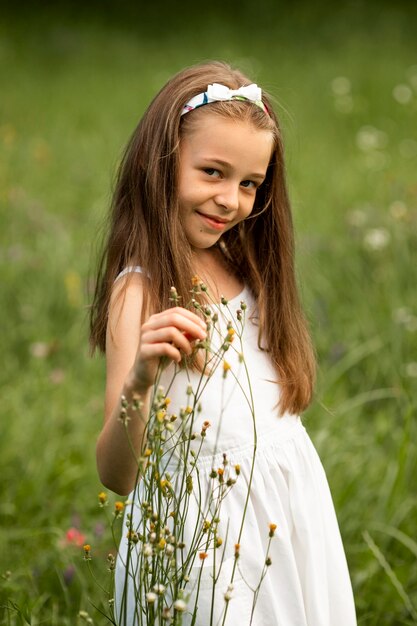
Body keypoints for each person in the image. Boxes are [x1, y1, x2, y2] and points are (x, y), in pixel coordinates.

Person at [90, 61, 357, 625]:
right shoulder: (138, 293)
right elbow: (117, 474)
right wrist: (140, 376)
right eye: (212, 172)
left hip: (289, 522)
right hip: (203, 548)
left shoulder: (249, 271)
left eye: (249, 183)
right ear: (159, 164)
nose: (230, 200)